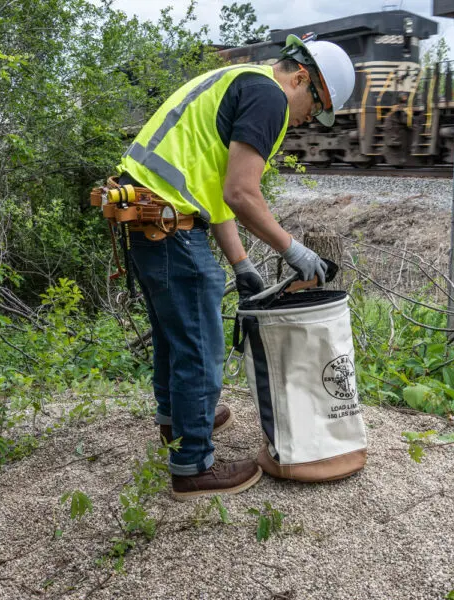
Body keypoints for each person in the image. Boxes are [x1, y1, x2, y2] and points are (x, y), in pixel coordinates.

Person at [115, 34, 355, 500]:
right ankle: (194, 466)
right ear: (301, 78)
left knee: (174, 333)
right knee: (201, 343)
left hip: (147, 215)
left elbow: (214, 189)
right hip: (169, 224)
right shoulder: (270, 98)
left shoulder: (238, 81)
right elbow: (241, 193)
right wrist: (295, 250)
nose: (310, 119)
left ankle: (177, 424)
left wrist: (242, 264)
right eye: (316, 105)